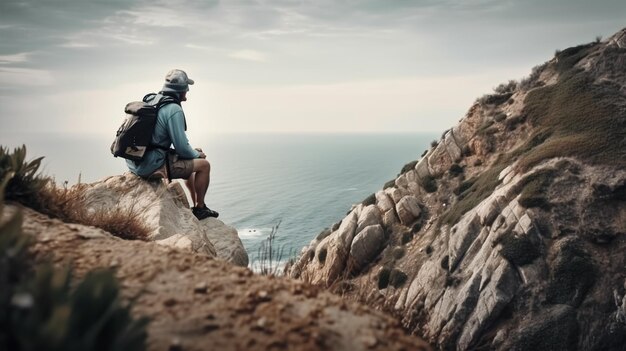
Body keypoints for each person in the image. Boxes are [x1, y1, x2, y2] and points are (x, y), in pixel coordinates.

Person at [126, 69, 219, 220]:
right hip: (150, 165)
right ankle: (200, 208)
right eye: (186, 89)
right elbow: (182, 148)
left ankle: (194, 203)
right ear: (182, 91)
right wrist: (197, 154)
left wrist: (193, 153)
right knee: (204, 165)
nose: (187, 93)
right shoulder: (173, 109)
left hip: (135, 161)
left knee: (191, 158)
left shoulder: (152, 100)